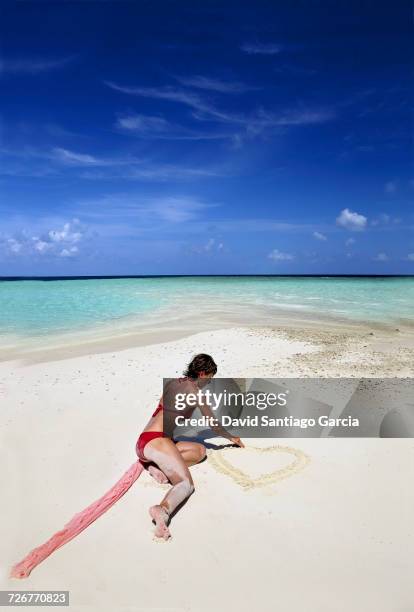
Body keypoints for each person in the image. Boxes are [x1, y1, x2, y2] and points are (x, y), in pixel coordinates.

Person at [136, 353, 244, 539]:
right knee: (186, 484)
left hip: (145, 442)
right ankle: (162, 510)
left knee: (199, 451)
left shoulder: (172, 383)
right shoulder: (195, 394)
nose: (209, 382)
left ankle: (153, 465)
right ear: (202, 374)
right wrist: (232, 438)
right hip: (156, 441)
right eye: (209, 378)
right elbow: (214, 425)